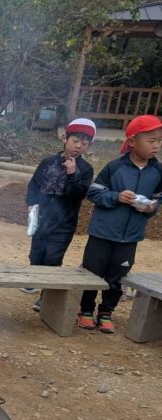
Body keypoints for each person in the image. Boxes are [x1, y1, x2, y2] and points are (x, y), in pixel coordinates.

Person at [77, 115, 162, 333]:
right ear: (133, 142)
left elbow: (158, 198)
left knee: (117, 276)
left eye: (159, 141)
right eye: (150, 141)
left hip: (130, 236)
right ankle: (85, 310)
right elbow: (94, 193)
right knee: (92, 272)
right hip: (103, 233)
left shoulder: (158, 171)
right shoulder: (115, 167)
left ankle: (106, 312)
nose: (156, 145)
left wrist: (151, 207)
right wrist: (117, 197)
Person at [22, 119, 96, 311]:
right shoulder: (47, 163)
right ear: (65, 138)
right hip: (42, 219)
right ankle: (33, 280)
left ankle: (46, 296)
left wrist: (72, 174)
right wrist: (31, 205)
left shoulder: (85, 169)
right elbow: (34, 184)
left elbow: (78, 195)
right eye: (75, 141)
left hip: (64, 223)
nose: (79, 146)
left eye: (84, 143)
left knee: (53, 259)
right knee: (36, 254)